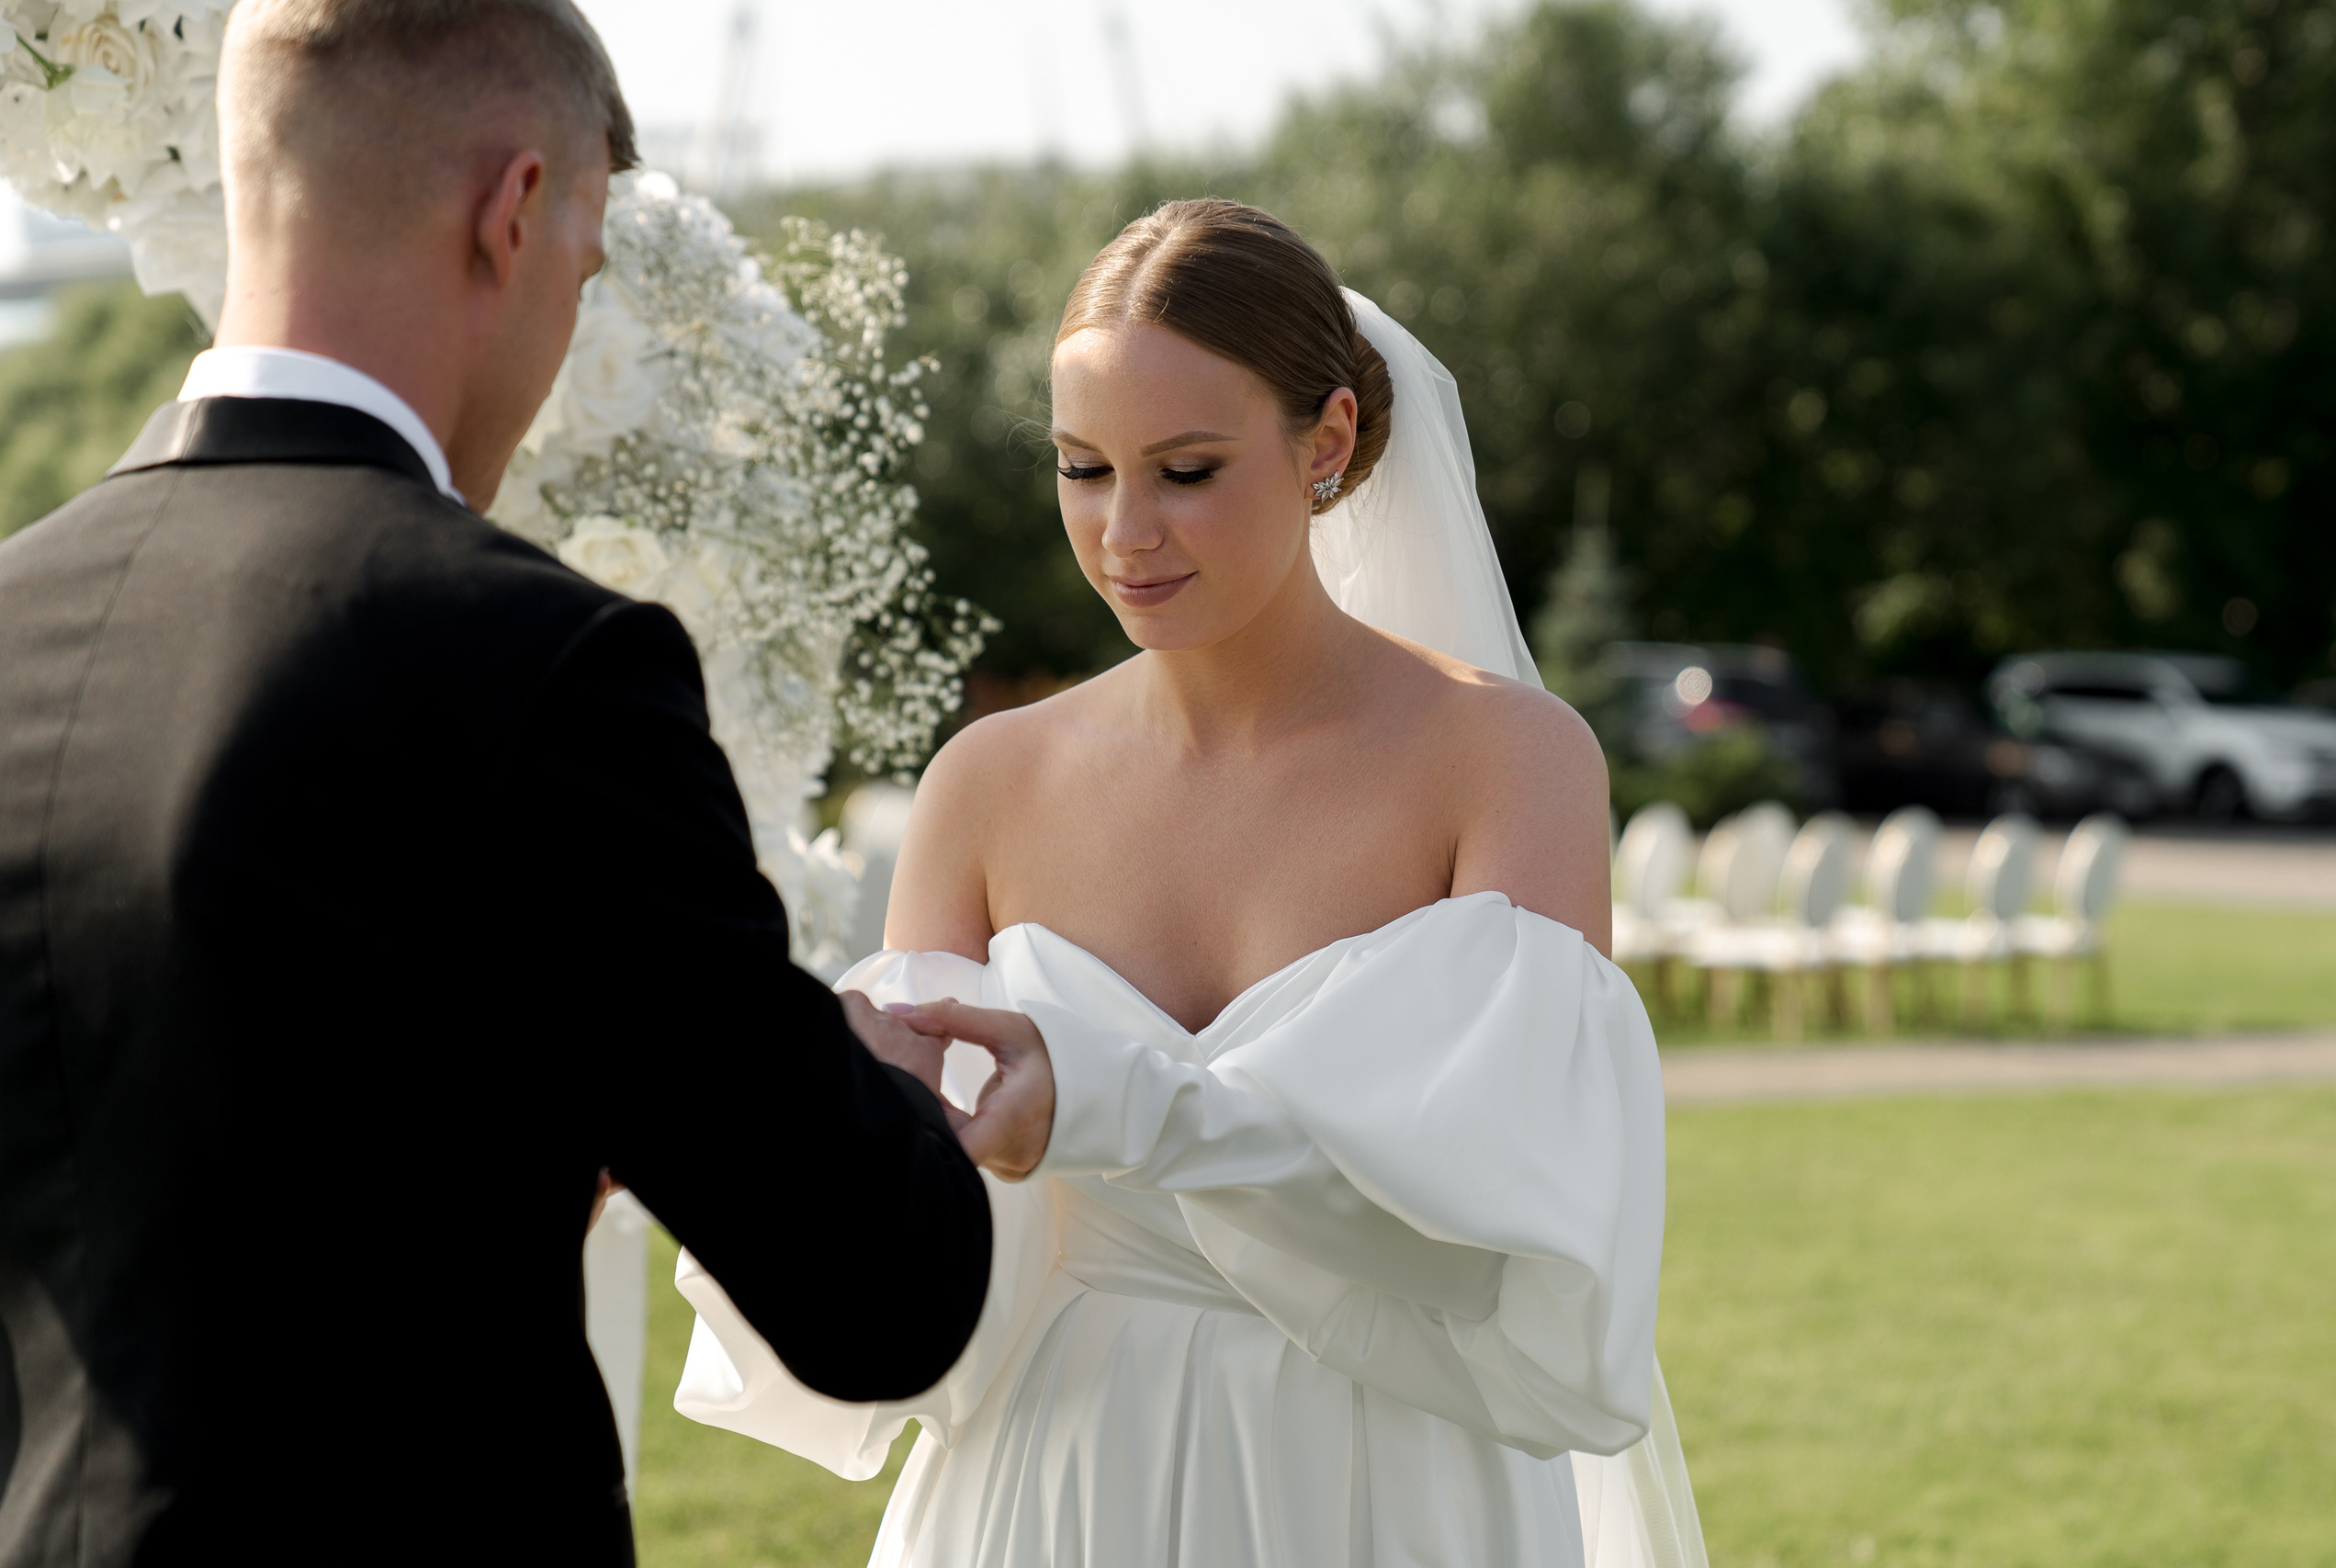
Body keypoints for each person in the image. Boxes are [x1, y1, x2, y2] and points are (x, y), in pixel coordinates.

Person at [0, 4, 1031, 1562]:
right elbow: (875, 1291)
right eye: (588, 257)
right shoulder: (540, 659)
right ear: (517, 212)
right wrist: (861, 1072)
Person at [675, 200, 1707, 1567]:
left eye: (1187, 469)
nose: (1124, 533)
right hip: (1051, 1477)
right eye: (1084, 469)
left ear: (1326, 441)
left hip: (1382, 1482)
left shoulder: (1510, 762)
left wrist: (1116, 1107)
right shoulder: (987, 783)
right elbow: (922, 1261)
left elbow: (1494, 1241)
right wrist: (790, 1106)